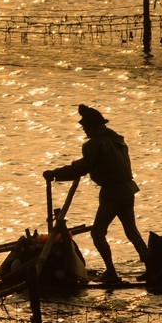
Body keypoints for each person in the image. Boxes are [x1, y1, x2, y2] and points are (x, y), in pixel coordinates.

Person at [43, 104, 149, 283]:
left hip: (113, 192)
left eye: (85, 127)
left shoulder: (94, 144)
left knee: (98, 233)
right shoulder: (116, 139)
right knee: (131, 230)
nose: (84, 130)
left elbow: (85, 166)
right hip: (127, 189)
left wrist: (56, 173)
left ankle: (111, 272)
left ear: (93, 127)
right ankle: (151, 267)